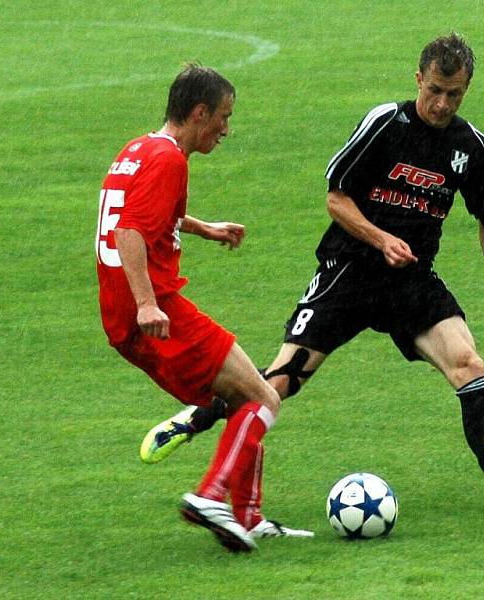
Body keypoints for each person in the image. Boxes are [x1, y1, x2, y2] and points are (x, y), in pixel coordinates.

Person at [142, 36, 484, 511]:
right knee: (278, 384)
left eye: (455, 94)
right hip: (350, 272)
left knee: (469, 366)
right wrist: (381, 238)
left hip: (411, 281)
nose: (442, 103)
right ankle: (195, 420)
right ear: (418, 79)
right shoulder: (385, 123)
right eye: (436, 90)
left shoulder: (471, 146)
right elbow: (336, 199)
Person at [96, 64, 313, 553]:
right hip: (155, 314)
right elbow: (129, 230)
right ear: (199, 113)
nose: (226, 129)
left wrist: (204, 228)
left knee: (242, 399)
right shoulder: (170, 160)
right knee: (263, 398)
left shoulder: (138, 150)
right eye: (223, 117)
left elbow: (148, 212)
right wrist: (149, 304)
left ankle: (249, 518)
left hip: (120, 318)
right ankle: (211, 496)